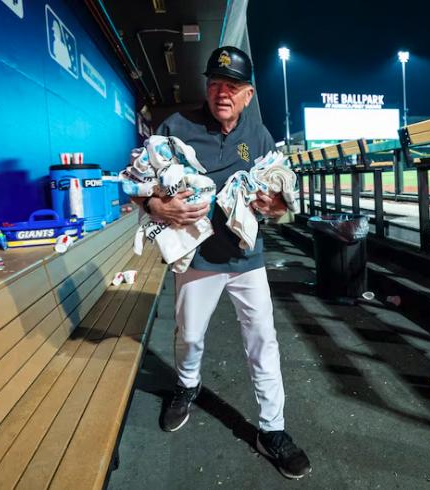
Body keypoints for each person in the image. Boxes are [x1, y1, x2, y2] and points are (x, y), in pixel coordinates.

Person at [133, 46, 311, 479]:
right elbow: (139, 186)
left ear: (248, 94)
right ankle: (187, 386)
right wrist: (160, 209)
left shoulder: (260, 133)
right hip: (199, 258)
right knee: (190, 336)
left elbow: (281, 202)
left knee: (263, 342)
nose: (222, 93)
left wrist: (276, 207)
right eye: (215, 84)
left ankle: (271, 430)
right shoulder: (178, 126)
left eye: (232, 86)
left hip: (247, 259)